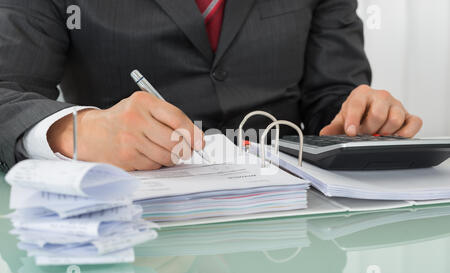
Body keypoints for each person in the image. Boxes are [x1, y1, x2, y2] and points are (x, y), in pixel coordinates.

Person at [0, 0, 423, 173]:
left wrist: (355, 118)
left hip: (288, 234)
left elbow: (331, 97)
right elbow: (5, 91)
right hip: (131, 235)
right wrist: (74, 130)